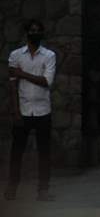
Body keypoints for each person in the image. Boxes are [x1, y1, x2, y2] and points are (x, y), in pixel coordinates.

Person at [4, 19, 56, 201]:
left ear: (42, 33)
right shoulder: (16, 55)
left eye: (38, 30)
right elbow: (12, 87)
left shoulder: (49, 55)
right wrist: (15, 112)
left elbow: (46, 81)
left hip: (43, 111)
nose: (35, 33)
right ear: (27, 33)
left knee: (44, 153)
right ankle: (12, 187)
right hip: (23, 111)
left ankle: (43, 190)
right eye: (32, 30)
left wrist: (21, 74)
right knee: (16, 152)